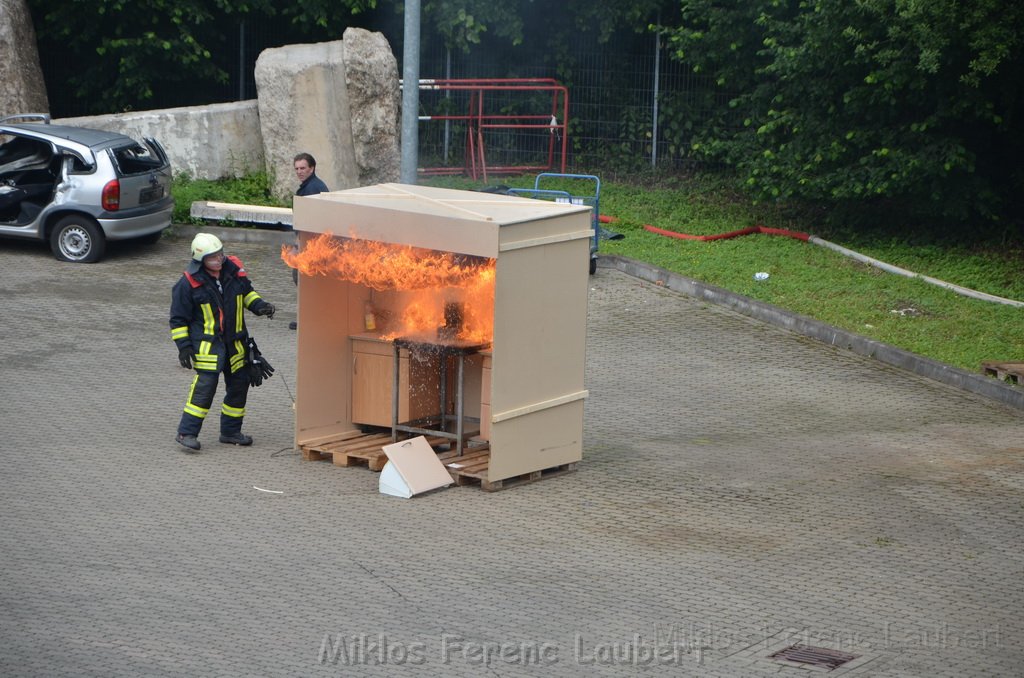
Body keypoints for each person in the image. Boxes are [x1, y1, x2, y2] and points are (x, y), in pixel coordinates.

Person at [170, 233, 276, 451]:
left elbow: (247, 294)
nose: (219, 260)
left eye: (220, 254)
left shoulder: (234, 272)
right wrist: (184, 347)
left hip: (236, 344)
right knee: (204, 389)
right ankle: (186, 433)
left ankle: (230, 431)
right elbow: (178, 319)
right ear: (200, 260)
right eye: (212, 257)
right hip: (208, 347)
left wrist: (260, 306)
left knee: (239, 386)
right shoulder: (187, 284)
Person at [289, 153, 329, 329]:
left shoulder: (313, 188)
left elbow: (313, 221)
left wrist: (302, 246)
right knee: (305, 282)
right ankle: (310, 319)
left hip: (311, 245)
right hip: (310, 243)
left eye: (303, 168)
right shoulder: (310, 186)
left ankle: (308, 321)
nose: (299, 171)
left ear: (312, 168)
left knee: (305, 282)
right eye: (297, 168)